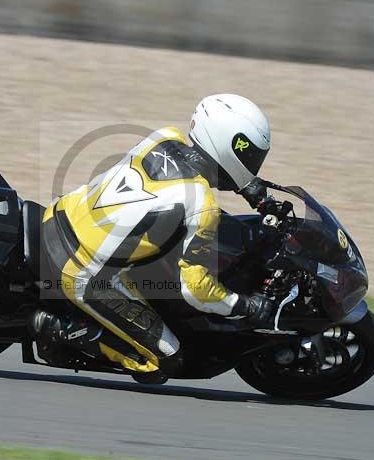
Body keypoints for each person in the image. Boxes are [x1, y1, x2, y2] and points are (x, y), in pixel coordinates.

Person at [32, 93, 276, 379]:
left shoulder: (163, 138)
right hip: (80, 271)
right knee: (166, 359)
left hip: (60, 215)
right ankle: (57, 328)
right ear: (230, 147)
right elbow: (195, 289)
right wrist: (244, 304)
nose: (252, 163)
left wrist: (247, 188)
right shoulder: (201, 204)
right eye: (250, 155)